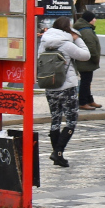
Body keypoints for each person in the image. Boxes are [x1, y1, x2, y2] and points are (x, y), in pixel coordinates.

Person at [39, 16, 90, 168]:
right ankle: (58, 152)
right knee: (71, 121)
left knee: (55, 120)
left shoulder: (44, 42)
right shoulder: (66, 43)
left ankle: (57, 155)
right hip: (67, 86)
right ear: (68, 29)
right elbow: (85, 55)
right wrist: (78, 38)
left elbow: (38, 60)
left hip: (50, 85)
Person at [73, 10, 102, 110]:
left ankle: (89, 100)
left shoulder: (83, 29)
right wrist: (95, 58)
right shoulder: (87, 31)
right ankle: (82, 102)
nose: (95, 20)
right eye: (93, 18)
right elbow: (91, 47)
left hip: (84, 60)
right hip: (86, 61)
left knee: (87, 81)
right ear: (89, 20)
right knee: (86, 82)